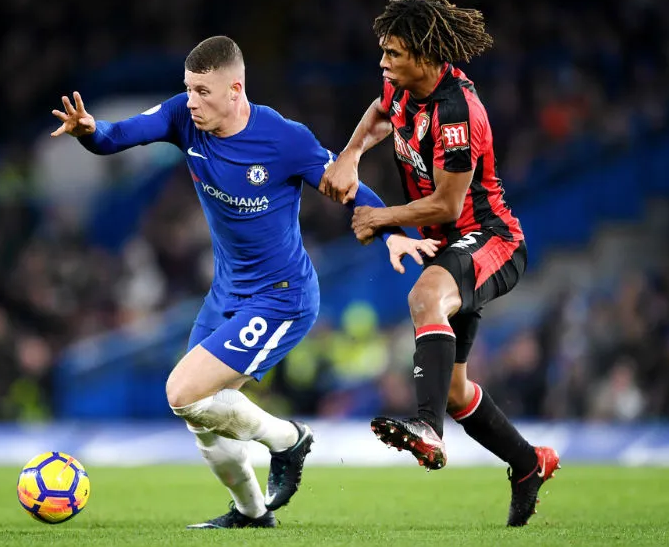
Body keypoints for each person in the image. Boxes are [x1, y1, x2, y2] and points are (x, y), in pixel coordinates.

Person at [51, 35, 440, 529]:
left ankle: (287, 441)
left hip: (282, 299)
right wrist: (88, 130)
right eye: (188, 89)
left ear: (235, 90)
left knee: (182, 392)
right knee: (200, 414)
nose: (192, 102)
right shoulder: (181, 117)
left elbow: (347, 185)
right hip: (226, 295)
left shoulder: (283, 139)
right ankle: (252, 514)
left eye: (203, 92)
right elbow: (116, 136)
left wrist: (395, 233)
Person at [319, 0, 560, 527]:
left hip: (489, 237)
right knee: (455, 391)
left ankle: (426, 429)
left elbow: (450, 204)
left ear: (425, 56)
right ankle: (527, 464)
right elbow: (382, 111)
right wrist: (352, 155)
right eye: (382, 52)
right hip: (449, 245)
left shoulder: (457, 111)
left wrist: (383, 218)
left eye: (394, 54)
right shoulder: (402, 88)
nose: (383, 64)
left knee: (424, 295)